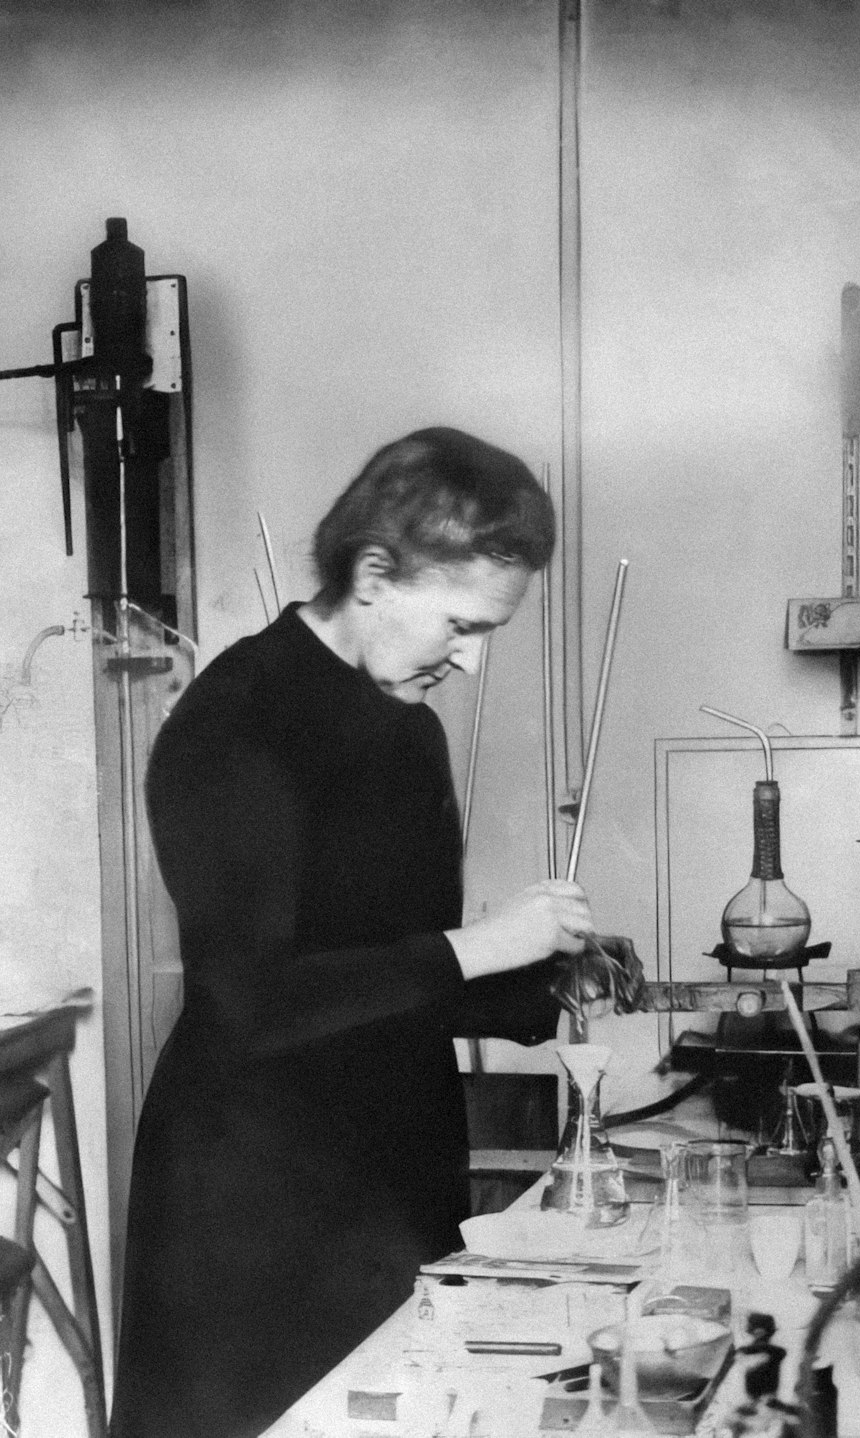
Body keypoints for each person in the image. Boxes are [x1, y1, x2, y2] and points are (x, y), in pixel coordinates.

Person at [109, 427, 639, 1438]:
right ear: (375, 573)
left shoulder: (407, 728)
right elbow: (252, 1002)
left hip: (392, 1175)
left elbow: (400, 973)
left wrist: (548, 983)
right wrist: (485, 943)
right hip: (254, 1206)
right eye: (461, 623)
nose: (472, 661)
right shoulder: (237, 720)